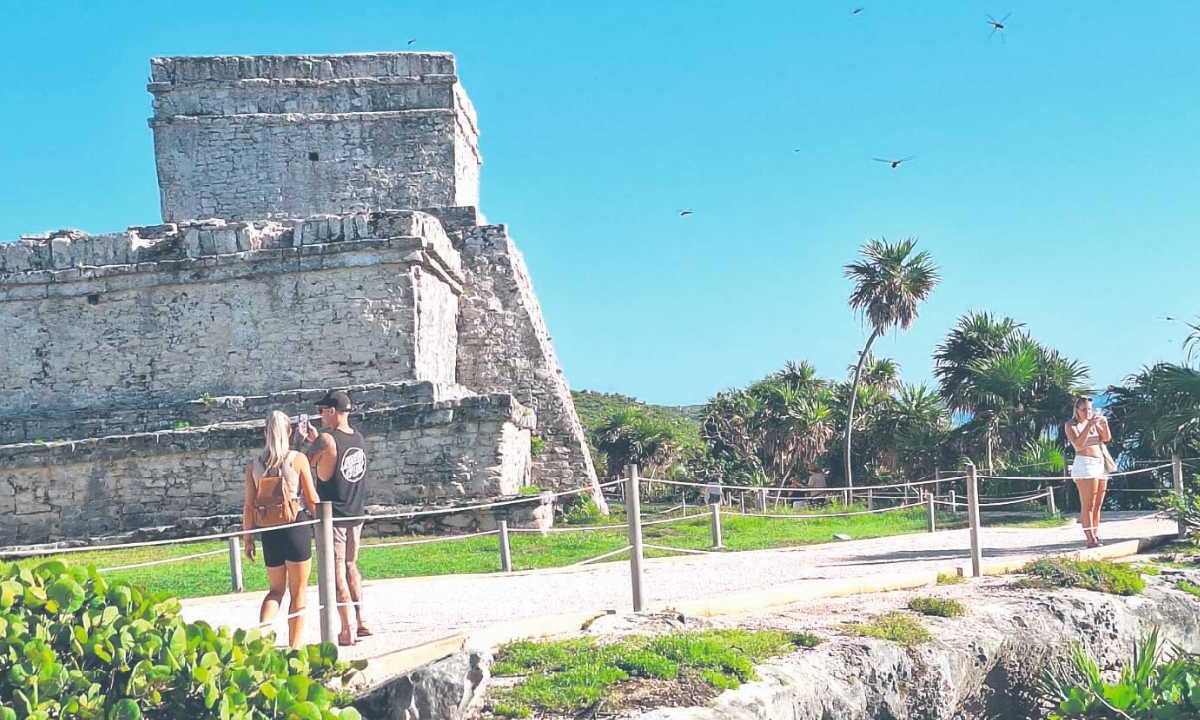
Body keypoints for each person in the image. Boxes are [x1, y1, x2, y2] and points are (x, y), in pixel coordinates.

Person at [242, 410, 320, 649]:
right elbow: (312, 498)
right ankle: (294, 648)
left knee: (275, 591)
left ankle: (262, 638)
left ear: (266, 432)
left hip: (269, 531)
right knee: (298, 593)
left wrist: (248, 538)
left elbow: (248, 505)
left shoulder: (254, 466)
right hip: (295, 527)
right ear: (288, 432)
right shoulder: (297, 459)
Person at [304, 389, 370, 646]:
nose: (320, 416)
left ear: (331, 411)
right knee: (351, 566)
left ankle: (346, 628)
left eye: (322, 411)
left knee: (335, 572)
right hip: (356, 512)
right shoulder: (359, 438)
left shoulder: (326, 439)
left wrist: (306, 440)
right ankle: (362, 619)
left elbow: (303, 461)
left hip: (335, 515)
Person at [1064, 396, 1112, 548]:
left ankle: (1095, 535)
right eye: (1084, 410)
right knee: (1088, 504)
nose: (1087, 412)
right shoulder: (1071, 425)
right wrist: (1087, 425)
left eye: (1089, 409)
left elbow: (1106, 438)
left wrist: (1104, 425)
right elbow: (1078, 445)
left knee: (1098, 504)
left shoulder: (1094, 423)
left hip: (1100, 463)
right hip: (1085, 464)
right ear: (1077, 410)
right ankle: (1089, 538)